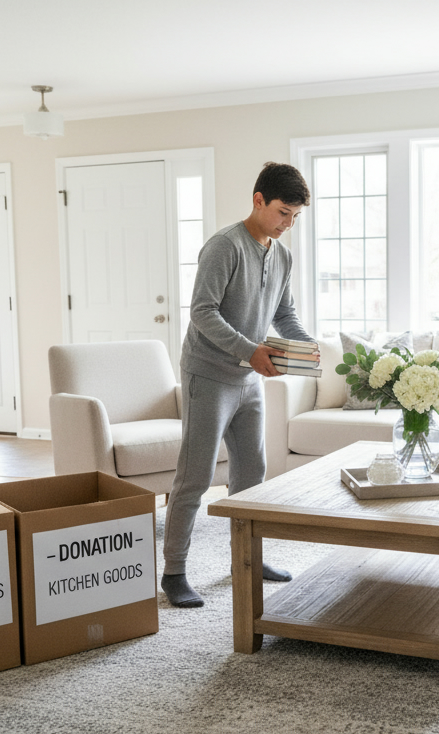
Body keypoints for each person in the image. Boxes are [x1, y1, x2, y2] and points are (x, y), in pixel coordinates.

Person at [160, 162, 317, 608]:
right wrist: (250, 350)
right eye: (283, 213)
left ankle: (247, 558)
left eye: (295, 217)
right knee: (196, 476)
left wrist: (308, 349)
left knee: (252, 473)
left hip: (249, 379)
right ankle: (174, 572)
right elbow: (202, 312)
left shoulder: (282, 255)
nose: (288, 225)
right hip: (208, 375)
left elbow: (283, 314)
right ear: (258, 200)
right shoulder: (224, 247)